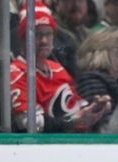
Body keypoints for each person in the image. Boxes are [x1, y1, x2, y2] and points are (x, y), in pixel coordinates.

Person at [10, 2, 110, 132]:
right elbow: (32, 124)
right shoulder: (15, 73)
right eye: (37, 34)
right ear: (23, 39)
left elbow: (76, 111)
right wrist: (74, 120)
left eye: (48, 34)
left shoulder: (58, 69)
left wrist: (94, 109)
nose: (44, 40)